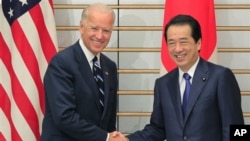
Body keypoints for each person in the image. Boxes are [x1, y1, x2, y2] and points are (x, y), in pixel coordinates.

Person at [115, 14, 244, 141]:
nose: (177, 49)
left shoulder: (220, 77)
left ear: (198, 43)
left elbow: (236, 129)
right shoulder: (163, 84)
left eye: (183, 42)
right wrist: (127, 140)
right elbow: (157, 129)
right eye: (171, 43)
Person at [41, 3, 120, 141]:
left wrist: (111, 136)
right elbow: (64, 116)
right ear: (81, 27)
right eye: (94, 28)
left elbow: (108, 120)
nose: (100, 36)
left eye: (106, 31)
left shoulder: (110, 67)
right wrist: (105, 138)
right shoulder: (62, 63)